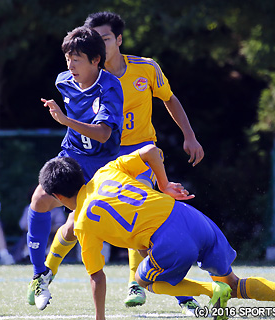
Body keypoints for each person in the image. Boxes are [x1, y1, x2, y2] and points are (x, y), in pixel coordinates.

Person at [39, 144, 275, 320]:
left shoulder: (82, 223)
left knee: (147, 283)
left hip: (170, 240)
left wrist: (100, 318)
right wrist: (164, 184)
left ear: (58, 198)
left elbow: (96, 277)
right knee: (234, 282)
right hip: (191, 218)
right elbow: (152, 151)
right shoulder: (106, 171)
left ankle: (209, 291)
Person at [43, 11, 205, 315]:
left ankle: (149, 287)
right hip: (104, 158)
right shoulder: (90, 74)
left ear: (118, 39)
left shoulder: (145, 69)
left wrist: (190, 136)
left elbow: (169, 98)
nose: (100, 46)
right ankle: (45, 272)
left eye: (104, 39)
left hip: (141, 156)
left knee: (144, 223)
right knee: (75, 222)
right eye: (95, 40)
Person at [25, 26, 123, 310]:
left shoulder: (110, 87)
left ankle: (181, 293)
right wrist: (66, 122)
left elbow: (104, 134)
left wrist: (65, 120)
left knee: (76, 228)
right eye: (68, 58)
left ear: (96, 60)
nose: (70, 65)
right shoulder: (64, 81)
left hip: (104, 164)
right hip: (72, 156)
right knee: (39, 200)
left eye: (77, 58)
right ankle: (38, 274)